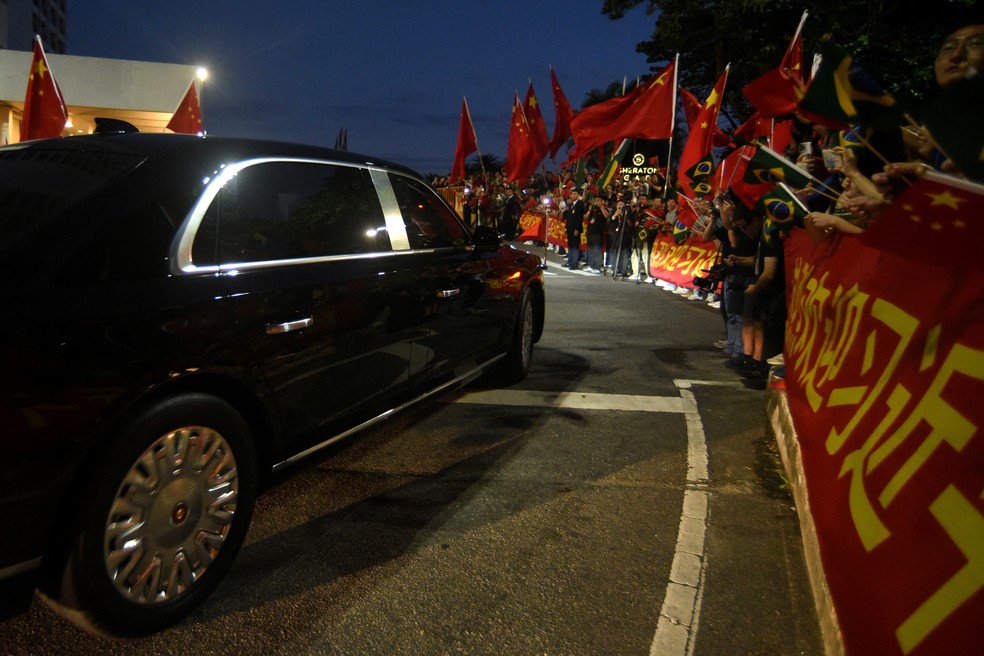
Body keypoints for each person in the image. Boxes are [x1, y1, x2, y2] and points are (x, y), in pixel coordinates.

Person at [584, 196, 609, 273]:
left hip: (598, 233)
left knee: (597, 250)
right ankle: (591, 265)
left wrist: (601, 207)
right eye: (595, 200)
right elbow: (585, 217)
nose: (596, 201)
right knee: (590, 250)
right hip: (590, 232)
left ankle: (597, 267)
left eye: (598, 200)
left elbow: (607, 216)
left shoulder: (604, 209)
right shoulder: (593, 209)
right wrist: (589, 210)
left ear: (602, 201)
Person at [563, 189, 585, 270]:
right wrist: (566, 227)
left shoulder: (580, 204)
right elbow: (568, 217)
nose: (573, 196)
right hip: (569, 228)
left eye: (575, 194)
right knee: (570, 246)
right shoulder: (571, 204)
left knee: (575, 246)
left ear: (578, 195)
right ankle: (570, 261)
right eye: (572, 194)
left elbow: (579, 218)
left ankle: (574, 264)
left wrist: (577, 229)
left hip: (575, 229)